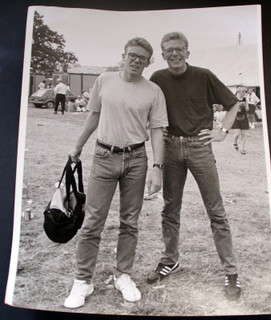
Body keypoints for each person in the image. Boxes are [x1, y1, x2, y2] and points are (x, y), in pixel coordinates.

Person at [64, 37, 168, 309]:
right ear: (123, 55)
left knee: (130, 221)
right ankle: (83, 280)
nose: (136, 61)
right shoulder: (105, 80)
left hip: (136, 159)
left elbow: (157, 130)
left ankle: (123, 275)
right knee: (93, 221)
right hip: (103, 156)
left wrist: (158, 168)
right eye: (132, 55)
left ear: (148, 62)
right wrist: (77, 147)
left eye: (142, 58)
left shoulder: (153, 91)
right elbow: (94, 115)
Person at [146, 32, 242, 301]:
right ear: (163, 54)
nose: (174, 54)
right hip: (171, 150)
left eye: (179, 49)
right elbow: (147, 108)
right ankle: (170, 260)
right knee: (170, 208)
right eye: (168, 50)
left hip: (200, 148)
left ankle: (231, 271)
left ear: (188, 52)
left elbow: (233, 103)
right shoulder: (158, 79)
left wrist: (221, 131)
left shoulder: (204, 75)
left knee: (216, 211)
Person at [232, 86, 250, 155]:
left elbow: (247, 109)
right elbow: (232, 108)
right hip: (236, 117)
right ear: (239, 92)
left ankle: (242, 149)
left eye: (245, 92)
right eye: (243, 92)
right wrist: (239, 105)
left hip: (243, 117)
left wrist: (245, 106)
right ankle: (234, 142)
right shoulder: (235, 98)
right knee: (237, 133)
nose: (244, 93)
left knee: (243, 133)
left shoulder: (245, 99)